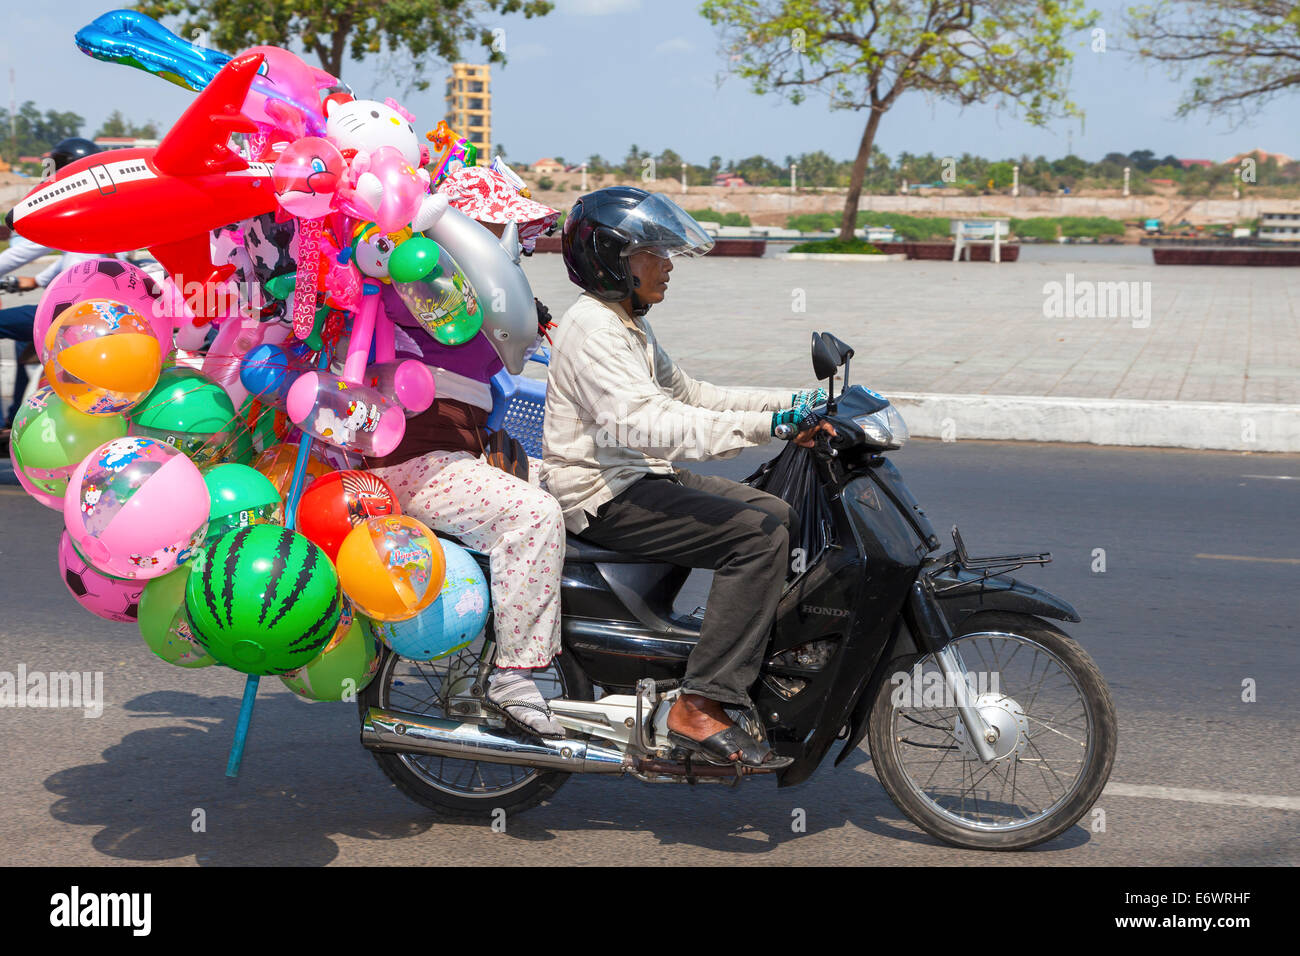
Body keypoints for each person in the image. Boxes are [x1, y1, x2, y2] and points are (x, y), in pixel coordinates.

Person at [542, 187, 833, 769]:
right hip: (603, 493)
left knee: (776, 511)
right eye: (654, 252)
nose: (668, 265)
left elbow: (693, 395)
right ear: (612, 258)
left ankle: (746, 658)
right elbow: (650, 426)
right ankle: (699, 704)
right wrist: (769, 427)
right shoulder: (594, 330)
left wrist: (796, 403)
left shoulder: (626, 324)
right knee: (759, 535)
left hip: (637, 478)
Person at [365, 180, 568, 739]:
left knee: (588, 484)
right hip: (412, 463)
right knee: (534, 516)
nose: (516, 253)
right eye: (505, 239)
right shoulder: (412, 288)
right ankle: (516, 673)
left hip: (458, 456)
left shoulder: (481, 309)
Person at [0, 138, 104, 441]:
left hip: (68, 314)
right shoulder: (99, 205)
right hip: (94, 308)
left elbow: (25, 248)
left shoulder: (69, 208)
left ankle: (14, 422)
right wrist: (37, 281)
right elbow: (77, 258)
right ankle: (14, 419)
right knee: (24, 343)